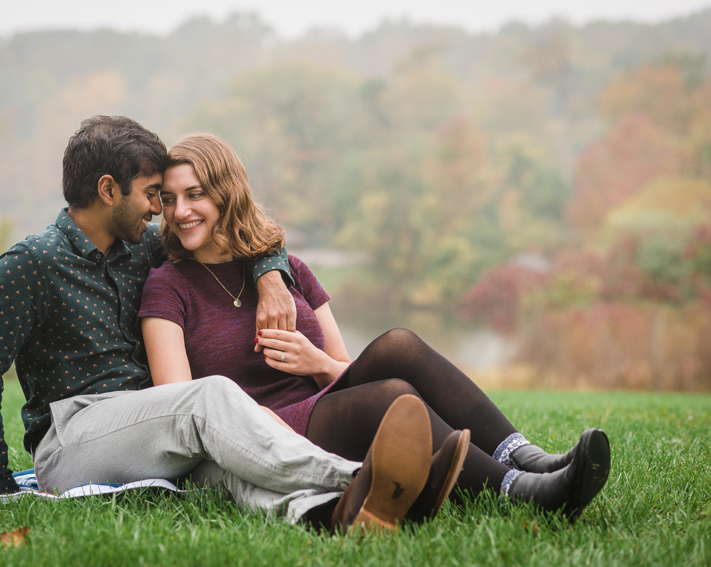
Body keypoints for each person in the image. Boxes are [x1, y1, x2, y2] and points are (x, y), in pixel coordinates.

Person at [0, 115, 437, 533]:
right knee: (208, 396)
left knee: (227, 466)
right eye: (152, 195)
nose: (161, 210)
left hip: (151, 428)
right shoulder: (31, 264)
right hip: (74, 439)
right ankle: (357, 478)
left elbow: (242, 235)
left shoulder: (141, 245)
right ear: (107, 189)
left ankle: (336, 514)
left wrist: (270, 279)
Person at [139, 133, 611, 522]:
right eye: (169, 199)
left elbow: (344, 365)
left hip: (324, 399)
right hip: (263, 429)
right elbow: (182, 406)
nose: (181, 211)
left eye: (195, 194)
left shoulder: (288, 271)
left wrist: (317, 363)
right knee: (391, 396)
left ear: (226, 193)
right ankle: (521, 492)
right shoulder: (167, 288)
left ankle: (526, 456)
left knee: (397, 345)